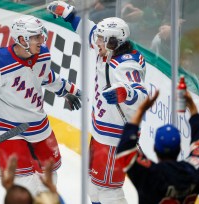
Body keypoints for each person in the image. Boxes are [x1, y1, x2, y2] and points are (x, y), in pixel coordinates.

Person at [0, 15, 81, 196]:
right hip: (7, 128)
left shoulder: (42, 54)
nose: (42, 40)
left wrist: (67, 90)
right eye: (36, 37)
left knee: (49, 178)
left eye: (41, 36)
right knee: (23, 186)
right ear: (22, 39)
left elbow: (46, 76)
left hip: (38, 125)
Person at [47, 1, 148, 203]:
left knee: (109, 192)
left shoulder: (125, 64)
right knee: (93, 186)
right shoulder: (109, 49)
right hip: (101, 134)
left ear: (113, 42)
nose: (97, 42)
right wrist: (69, 14)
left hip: (114, 139)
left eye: (102, 39)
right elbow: (89, 31)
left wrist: (125, 92)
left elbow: (141, 95)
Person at [116, 90, 199, 204]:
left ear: (154, 148)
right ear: (180, 148)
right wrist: (192, 107)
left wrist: (141, 110)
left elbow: (124, 150)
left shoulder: (150, 175)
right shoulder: (194, 170)